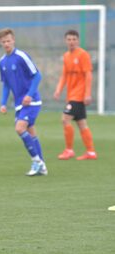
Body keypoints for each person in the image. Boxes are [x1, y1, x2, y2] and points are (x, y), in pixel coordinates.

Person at [0, 28, 47, 176]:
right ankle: (42, 166)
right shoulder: (2, 62)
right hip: (19, 104)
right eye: (3, 41)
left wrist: (30, 95)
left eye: (8, 40)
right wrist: (3, 103)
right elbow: (6, 85)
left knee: (20, 128)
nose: (6, 43)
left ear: (13, 40)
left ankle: (36, 161)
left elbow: (37, 75)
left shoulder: (21, 56)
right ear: (0, 43)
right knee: (31, 133)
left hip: (31, 102)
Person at [53, 29, 97, 160]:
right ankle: (91, 152)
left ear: (78, 41)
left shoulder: (83, 55)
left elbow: (88, 75)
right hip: (71, 95)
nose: (71, 42)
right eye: (69, 39)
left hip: (78, 95)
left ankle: (69, 150)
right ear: (65, 41)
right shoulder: (66, 56)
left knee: (65, 119)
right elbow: (64, 75)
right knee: (81, 123)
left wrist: (87, 94)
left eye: (74, 39)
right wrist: (58, 90)